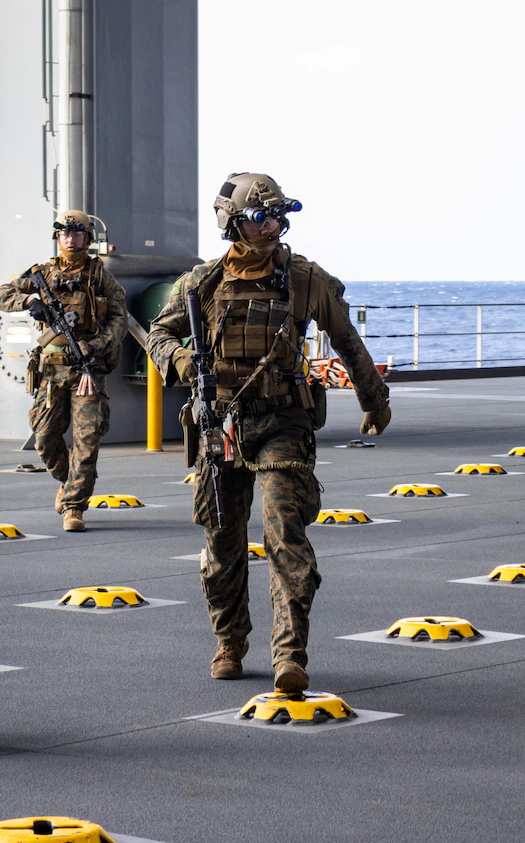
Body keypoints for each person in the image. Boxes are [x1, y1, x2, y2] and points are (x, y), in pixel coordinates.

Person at [147, 173, 391, 694]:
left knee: (286, 535)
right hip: (221, 426)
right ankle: (230, 641)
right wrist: (183, 360)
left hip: (282, 420)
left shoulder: (306, 279)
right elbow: (159, 333)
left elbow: (346, 339)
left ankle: (290, 654)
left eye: (279, 217)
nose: (272, 227)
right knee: (222, 541)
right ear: (233, 223)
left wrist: (374, 399)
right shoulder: (201, 283)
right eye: (260, 218)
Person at [0, 211, 127, 531]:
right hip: (51, 373)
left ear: (87, 238)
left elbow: (119, 321)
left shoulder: (101, 277)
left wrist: (94, 346)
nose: (70, 239)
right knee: (45, 438)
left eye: (77, 233)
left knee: (86, 440)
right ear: (57, 237)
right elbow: (1, 296)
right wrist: (30, 301)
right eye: (65, 233)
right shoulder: (42, 273)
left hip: (87, 371)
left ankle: (74, 506)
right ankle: (70, 481)